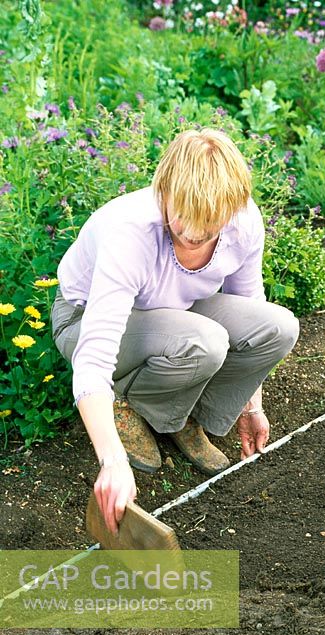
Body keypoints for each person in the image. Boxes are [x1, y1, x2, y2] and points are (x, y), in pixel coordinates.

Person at [51, 128, 299, 535]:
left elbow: (251, 305)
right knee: (204, 342)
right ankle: (123, 405)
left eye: (208, 223)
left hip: (174, 313)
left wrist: (251, 405)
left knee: (278, 326)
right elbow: (94, 357)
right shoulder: (129, 232)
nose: (190, 232)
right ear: (163, 188)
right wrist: (111, 460)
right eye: (181, 214)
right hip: (82, 321)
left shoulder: (243, 221)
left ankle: (183, 417)